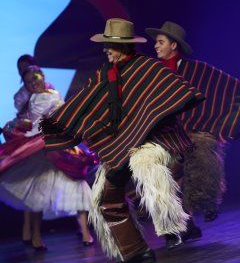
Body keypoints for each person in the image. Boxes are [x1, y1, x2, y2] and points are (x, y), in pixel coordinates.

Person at [40, 18, 204, 262]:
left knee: (145, 164)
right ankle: (135, 251)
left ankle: (173, 225)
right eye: (105, 45)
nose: (106, 50)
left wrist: (152, 119)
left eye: (111, 45)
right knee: (103, 196)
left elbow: (174, 91)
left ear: (125, 46)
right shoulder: (103, 77)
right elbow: (83, 103)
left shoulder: (147, 68)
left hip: (154, 142)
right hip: (122, 147)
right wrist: (57, 121)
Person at [145, 21, 240, 244]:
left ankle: (204, 203)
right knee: (160, 176)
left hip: (189, 133)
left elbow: (230, 88)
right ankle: (186, 225)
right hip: (163, 135)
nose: (156, 47)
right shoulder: (154, 73)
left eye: (160, 42)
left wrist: (224, 125)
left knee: (198, 154)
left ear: (174, 45)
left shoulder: (196, 70)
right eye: (156, 43)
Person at [0, 65, 95, 250]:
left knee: (76, 184)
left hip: (58, 143)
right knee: (38, 192)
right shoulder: (31, 99)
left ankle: (85, 232)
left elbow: (62, 115)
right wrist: (21, 124)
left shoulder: (54, 93)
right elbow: (35, 121)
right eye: (28, 82)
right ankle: (35, 235)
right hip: (39, 144)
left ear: (42, 76)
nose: (33, 83)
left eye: (35, 78)